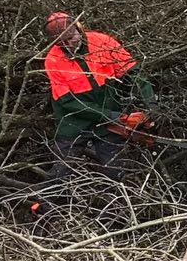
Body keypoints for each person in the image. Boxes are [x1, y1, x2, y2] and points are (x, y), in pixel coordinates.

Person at [37, 12, 153, 209]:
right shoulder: (53, 60)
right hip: (74, 120)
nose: (70, 42)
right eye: (63, 40)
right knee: (62, 170)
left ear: (79, 28)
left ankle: (112, 214)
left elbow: (134, 73)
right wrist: (112, 117)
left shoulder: (103, 42)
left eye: (72, 35)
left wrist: (152, 104)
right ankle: (43, 211)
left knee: (114, 170)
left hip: (108, 115)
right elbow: (68, 103)